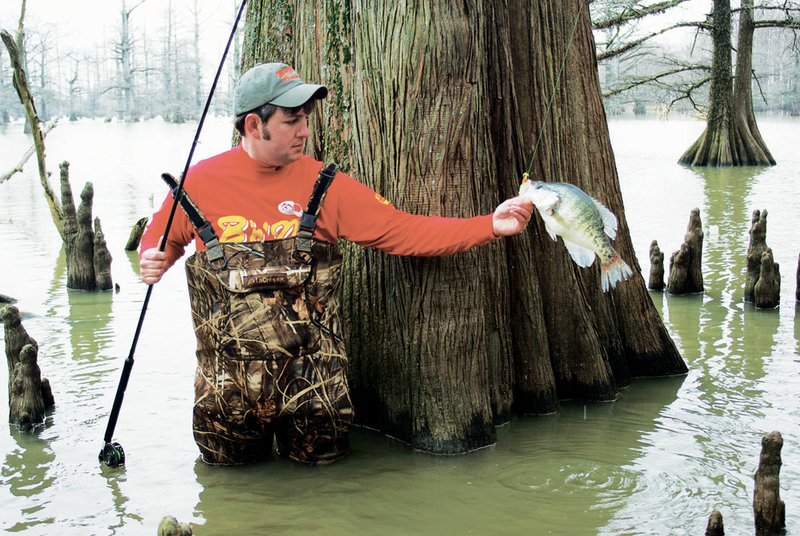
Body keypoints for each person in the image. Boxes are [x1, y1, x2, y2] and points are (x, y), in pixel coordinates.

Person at [139, 62, 534, 466]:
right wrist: (155, 260)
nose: (305, 131)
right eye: (293, 120)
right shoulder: (198, 184)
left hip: (317, 394)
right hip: (227, 399)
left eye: (305, 119)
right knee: (230, 497)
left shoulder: (324, 185)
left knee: (325, 491)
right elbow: (161, 240)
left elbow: (404, 232)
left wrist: (489, 225)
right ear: (255, 125)